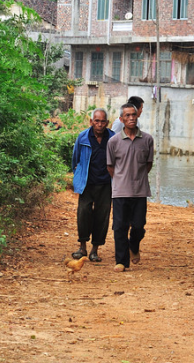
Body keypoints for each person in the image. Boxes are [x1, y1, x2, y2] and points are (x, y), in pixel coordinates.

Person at [107, 101, 154, 272]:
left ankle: (133, 246)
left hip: (140, 191)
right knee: (119, 226)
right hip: (120, 191)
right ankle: (121, 261)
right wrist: (121, 180)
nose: (131, 118)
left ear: (137, 116)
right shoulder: (113, 141)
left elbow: (149, 164)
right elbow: (110, 166)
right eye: (127, 115)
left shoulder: (147, 139)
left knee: (139, 226)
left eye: (134, 114)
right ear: (121, 119)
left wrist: (137, 178)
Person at [69, 108, 114, 263]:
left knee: (102, 216)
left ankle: (95, 250)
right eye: (97, 121)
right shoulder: (83, 137)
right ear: (91, 121)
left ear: (107, 123)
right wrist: (78, 176)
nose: (99, 124)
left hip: (106, 183)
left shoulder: (113, 138)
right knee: (83, 213)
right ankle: (82, 247)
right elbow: (75, 159)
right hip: (87, 183)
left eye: (102, 121)